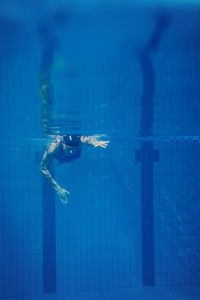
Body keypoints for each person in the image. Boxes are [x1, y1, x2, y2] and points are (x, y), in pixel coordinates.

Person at [40, 134, 109, 204]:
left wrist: (94, 142)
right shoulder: (53, 148)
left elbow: (87, 140)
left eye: (74, 149)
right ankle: (62, 161)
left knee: (66, 162)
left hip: (69, 159)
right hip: (59, 155)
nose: (71, 152)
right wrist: (58, 189)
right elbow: (43, 168)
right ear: (63, 144)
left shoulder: (80, 141)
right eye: (69, 148)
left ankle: (63, 162)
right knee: (62, 161)